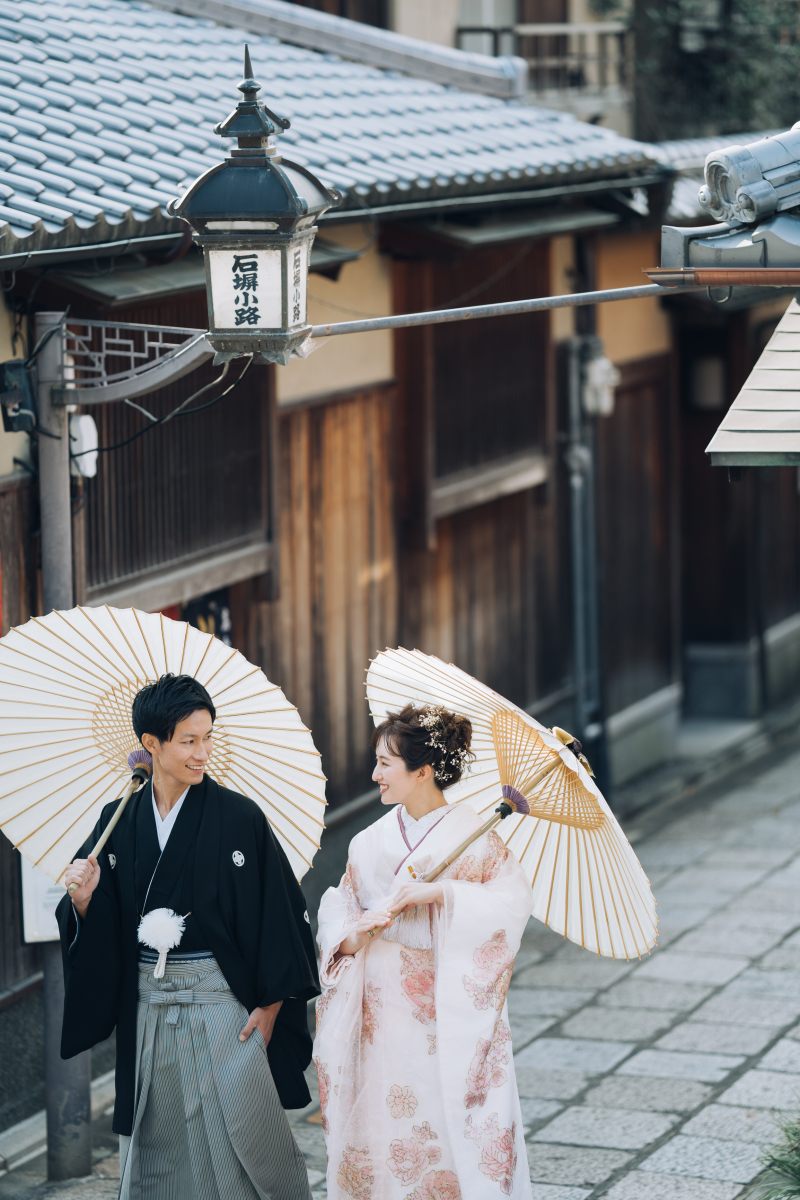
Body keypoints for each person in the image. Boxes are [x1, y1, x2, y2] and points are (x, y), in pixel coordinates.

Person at [57, 673, 318, 1200]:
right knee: (161, 1141)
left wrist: (270, 1005)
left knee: (243, 1129)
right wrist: (84, 901)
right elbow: (101, 920)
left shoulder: (238, 817)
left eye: (208, 737)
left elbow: (278, 912)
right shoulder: (119, 819)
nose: (203, 753)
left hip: (222, 999)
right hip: (149, 1003)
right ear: (150, 745)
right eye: (189, 741)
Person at [314, 704, 534, 1200]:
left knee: (448, 1119)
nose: (374, 775)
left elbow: (511, 905)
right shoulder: (367, 844)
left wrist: (443, 895)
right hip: (382, 1013)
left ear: (424, 771)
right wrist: (357, 932)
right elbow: (338, 914)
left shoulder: (476, 841)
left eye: (385, 764)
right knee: (385, 1125)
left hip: (448, 1011)